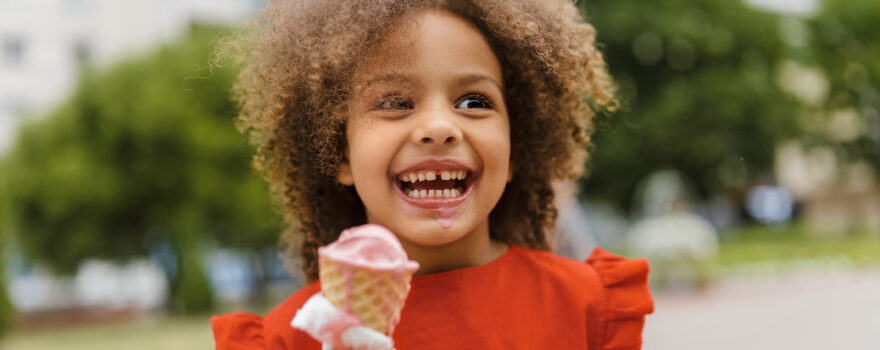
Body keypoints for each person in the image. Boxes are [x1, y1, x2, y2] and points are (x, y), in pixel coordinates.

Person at [212, 0, 653, 349]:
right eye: (395, 102)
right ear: (339, 152)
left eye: (474, 102)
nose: (440, 128)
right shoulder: (289, 339)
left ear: (517, 146)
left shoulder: (586, 309)